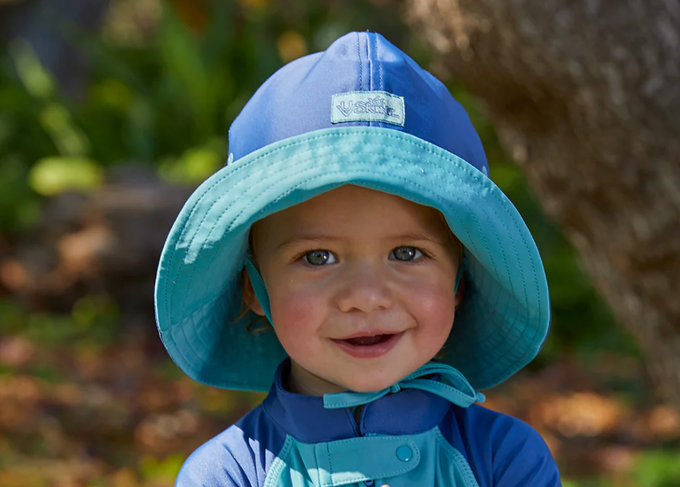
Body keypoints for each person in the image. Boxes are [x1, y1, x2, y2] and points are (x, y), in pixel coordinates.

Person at [154, 31, 561, 487]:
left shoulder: (503, 459)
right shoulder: (229, 474)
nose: (366, 298)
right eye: (317, 257)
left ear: (460, 280)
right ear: (253, 287)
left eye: (407, 253)